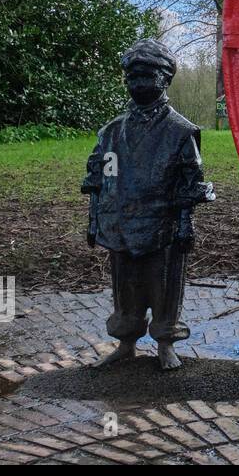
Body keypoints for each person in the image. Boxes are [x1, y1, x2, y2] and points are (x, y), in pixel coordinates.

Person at [82, 39, 215, 370]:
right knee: (125, 287)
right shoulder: (111, 132)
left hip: (161, 225)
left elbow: (190, 179)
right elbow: (102, 178)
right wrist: (95, 220)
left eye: (146, 76)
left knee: (164, 286)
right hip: (122, 224)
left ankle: (165, 343)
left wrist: (186, 224)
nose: (137, 84)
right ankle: (126, 342)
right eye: (131, 77)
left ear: (165, 80)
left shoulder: (180, 131)